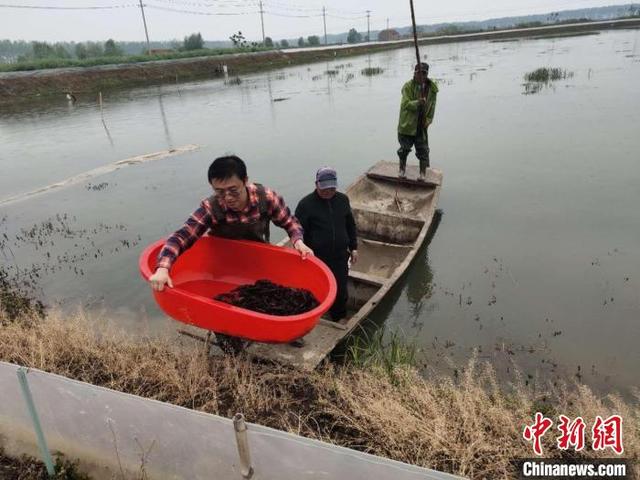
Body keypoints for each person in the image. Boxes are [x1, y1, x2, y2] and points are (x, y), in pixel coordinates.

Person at [149, 155, 313, 291]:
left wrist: (298, 240)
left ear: (245, 180)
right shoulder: (211, 208)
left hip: (257, 260)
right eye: (219, 192)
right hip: (223, 268)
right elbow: (182, 237)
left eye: (233, 190)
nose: (227, 198)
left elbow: (289, 222)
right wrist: (163, 268)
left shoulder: (266, 198)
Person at [295, 167, 358, 321]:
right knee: (315, 289)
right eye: (324, 188)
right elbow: (297, 231)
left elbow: (350, 225)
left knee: (340, 289)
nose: (328, 192)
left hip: (340, 256)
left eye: (331, 188)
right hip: (317, 257)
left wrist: (354, 247)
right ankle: (314, 318)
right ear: (316, 184)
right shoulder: (305, 205)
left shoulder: (343, 200)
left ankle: (338, 317)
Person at [397, 62, 439, 181]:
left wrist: (429, 120)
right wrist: (418, 102)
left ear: (427, 74)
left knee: (423, 150)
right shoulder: (408, 86)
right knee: (404, 149)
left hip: (421, 125)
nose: (421, 76)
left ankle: (422, 174)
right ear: (414, 73)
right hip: (407, 125)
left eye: (423, 73)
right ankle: (401, 170)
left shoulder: (432, 89)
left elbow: (433, 106)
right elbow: (405, 104)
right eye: (418, 73)